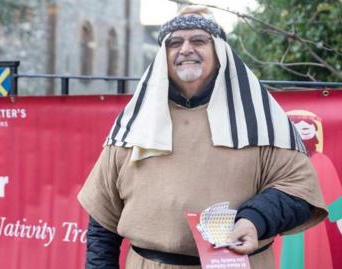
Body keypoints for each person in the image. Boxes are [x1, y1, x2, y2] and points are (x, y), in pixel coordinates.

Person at [77, 6, 327, 269]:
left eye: (198, 40)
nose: (186, 49)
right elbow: (102, 224)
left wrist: (253, 219)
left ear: (219, 52)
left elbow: (299, 193)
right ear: (163, 55)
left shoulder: (260, 118)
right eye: (175, 43)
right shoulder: (136, 124)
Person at [273, 110, 342, 269]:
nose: (303, 127)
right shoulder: (275, 160)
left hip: (313, 227)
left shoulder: (321, 160)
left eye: (308, 124)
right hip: (281, 224)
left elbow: (335, 203)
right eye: (297, 123)